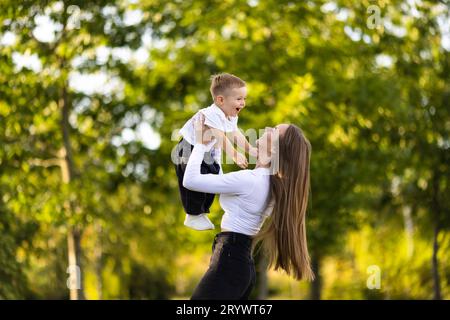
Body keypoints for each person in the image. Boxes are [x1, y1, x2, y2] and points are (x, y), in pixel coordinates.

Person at [183, 114, 314, 300]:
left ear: (275, 149)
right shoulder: (264, 182)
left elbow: (191, 181)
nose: (268, 128)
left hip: (229, 262)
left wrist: (200, 143)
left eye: (274, 130)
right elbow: (217, 180)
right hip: (239, 263)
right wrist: (214, 143)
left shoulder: (252, 180)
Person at [174, 73, 257, 231]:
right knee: (194, 183)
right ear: (220, 100)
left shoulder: (230, 115)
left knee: (212, 181)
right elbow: (220, 137)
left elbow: (234, 133)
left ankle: (201, 213)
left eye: (244, 99)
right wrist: (234, 154)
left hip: (206, 152)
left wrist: (250, 149)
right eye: (239, 99)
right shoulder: (211, 113)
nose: (243, 103)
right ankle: (193, 214)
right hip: (187, 149)